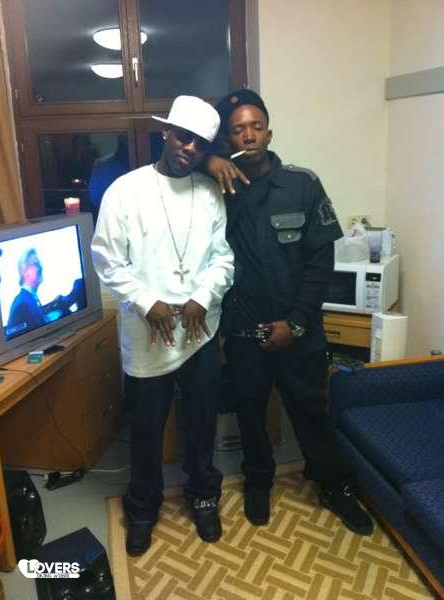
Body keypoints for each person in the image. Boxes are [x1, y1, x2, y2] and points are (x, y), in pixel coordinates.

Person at [205, 89, 373, 535]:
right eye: (238, 129)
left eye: (256, 127)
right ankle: (258, 481)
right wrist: (209, 160)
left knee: (311, 413)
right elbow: (175, 163)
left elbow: (321, 263)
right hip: (245, 333)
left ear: (269, 133)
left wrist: (295, 323)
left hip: (299, 331)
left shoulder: (303, 184)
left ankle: (333, 485)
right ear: (228, 139)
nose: (248, 135)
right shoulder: (218, 188)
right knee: (250, 413)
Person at [91, 95, 234, 556]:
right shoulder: (125, 191)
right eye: (183, 136)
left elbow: (223, 259)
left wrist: (202, 298)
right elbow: (107, 260)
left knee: (201, 424)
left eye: (200, 143)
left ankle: (203, 496)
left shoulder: (209, 193)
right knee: (146, 430)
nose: (189, 148)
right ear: (165, 132)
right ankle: (142, 508)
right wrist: (147, 301)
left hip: (200, 332)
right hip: (147, 334)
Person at [7, 248, 47, 337]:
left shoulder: (30, 299)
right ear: (25, 273)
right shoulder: (22, 304)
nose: (41, 267)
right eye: (36, 264)